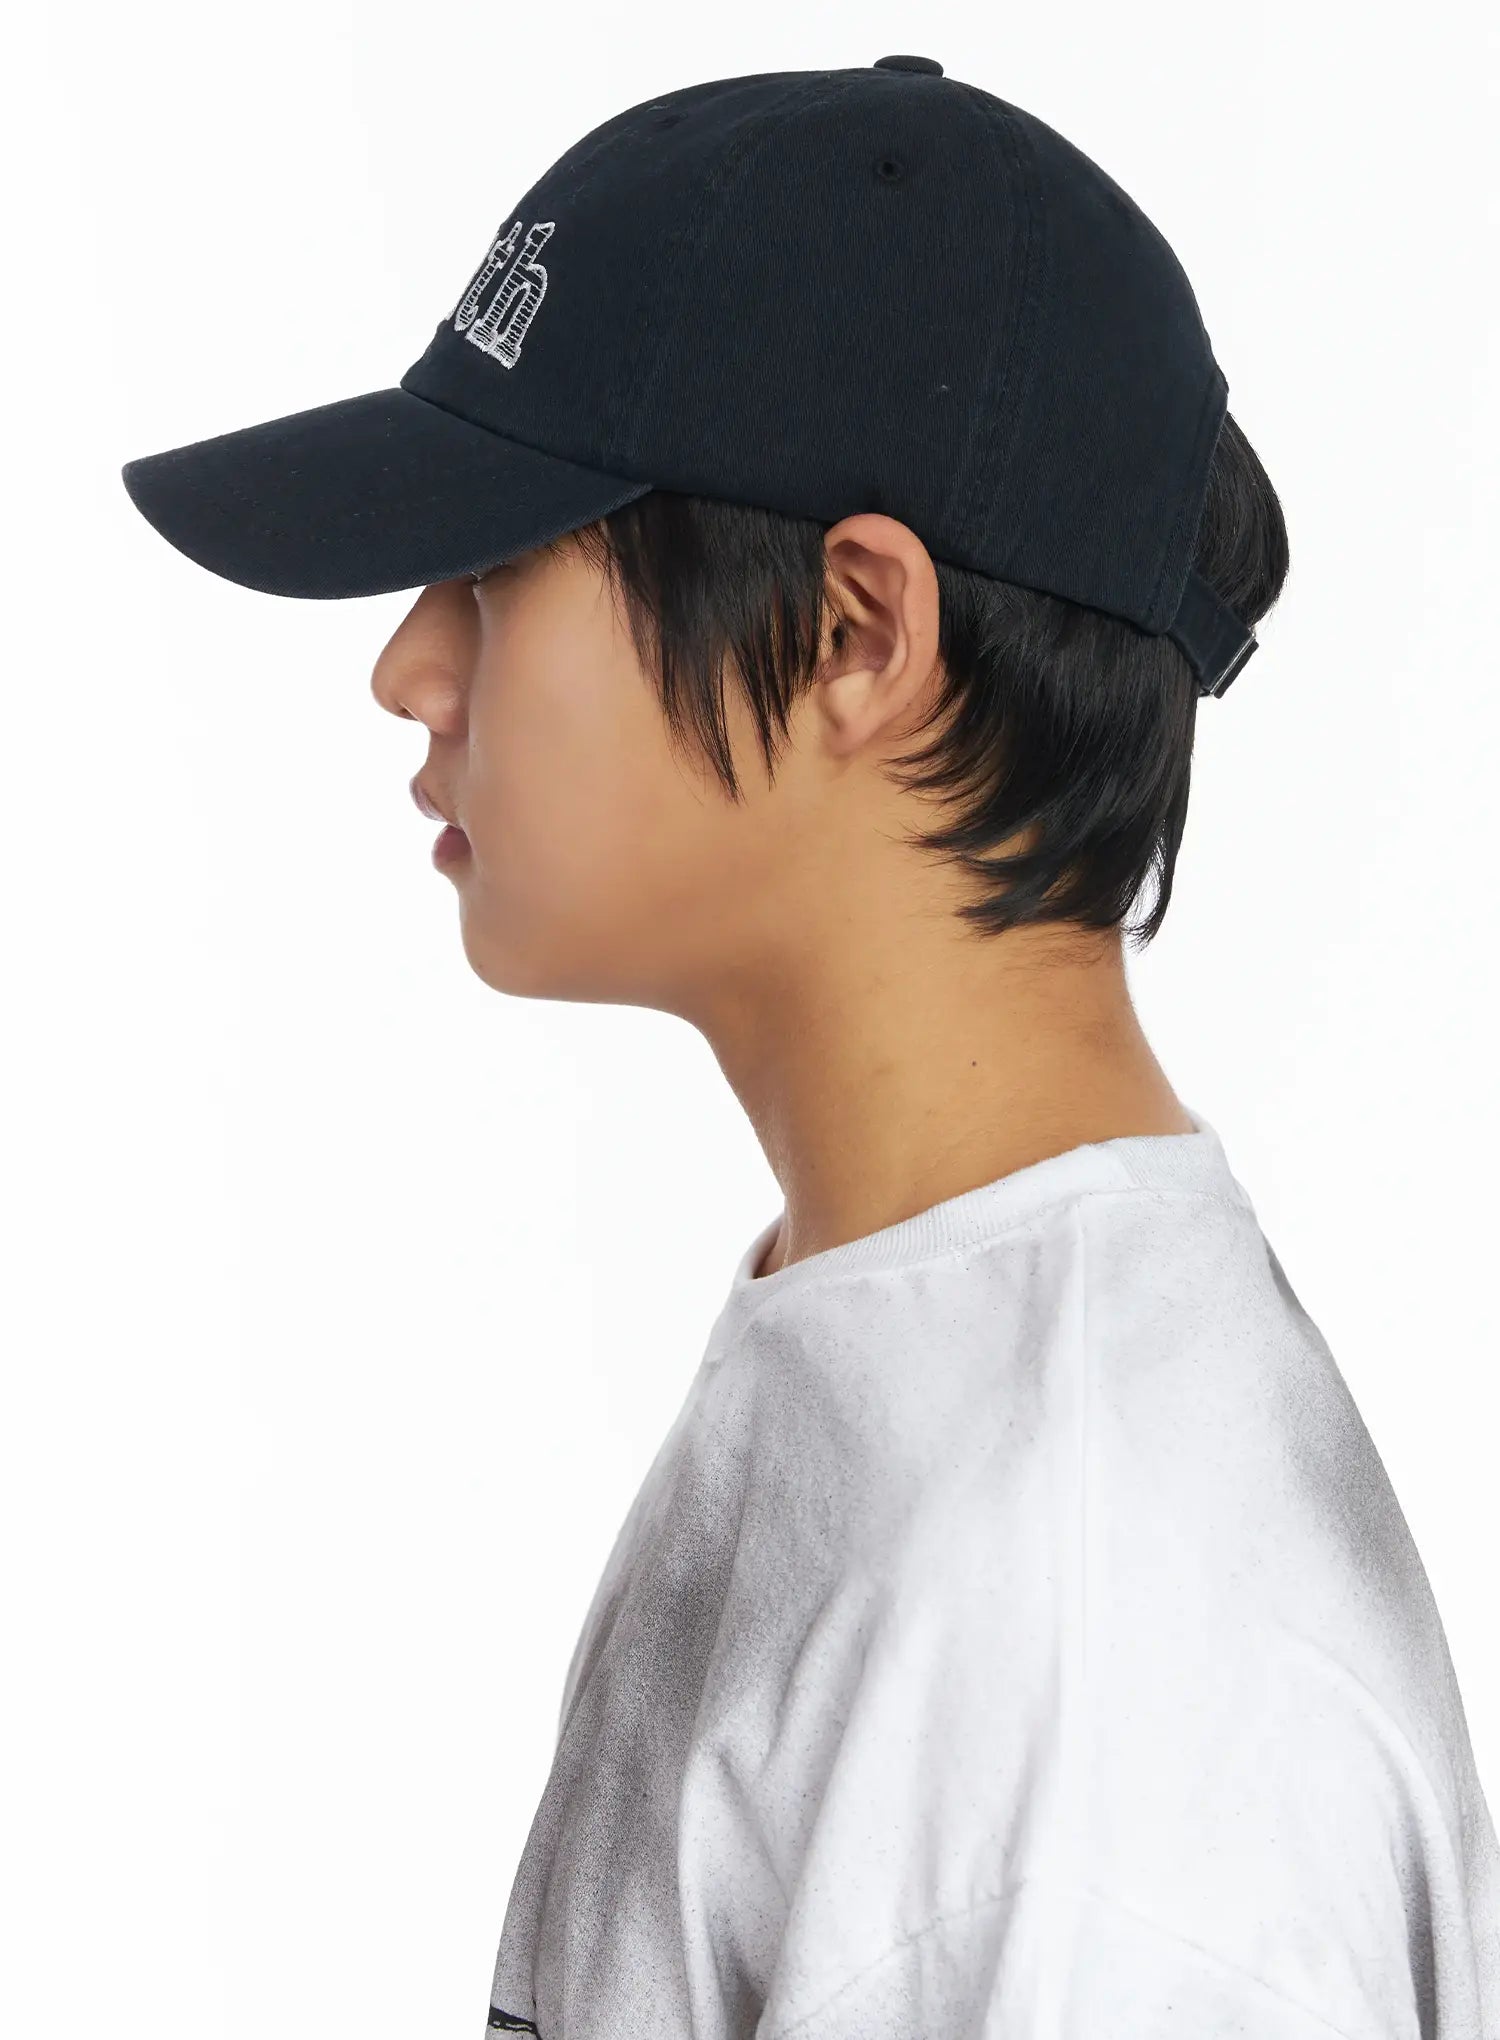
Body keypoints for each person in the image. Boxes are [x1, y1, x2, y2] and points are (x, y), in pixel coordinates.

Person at [119, 53, 1499, 2040]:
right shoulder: (917, 1376)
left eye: (496, 566)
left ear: (856, 631)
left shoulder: (1103, 1695)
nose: (408, 667)